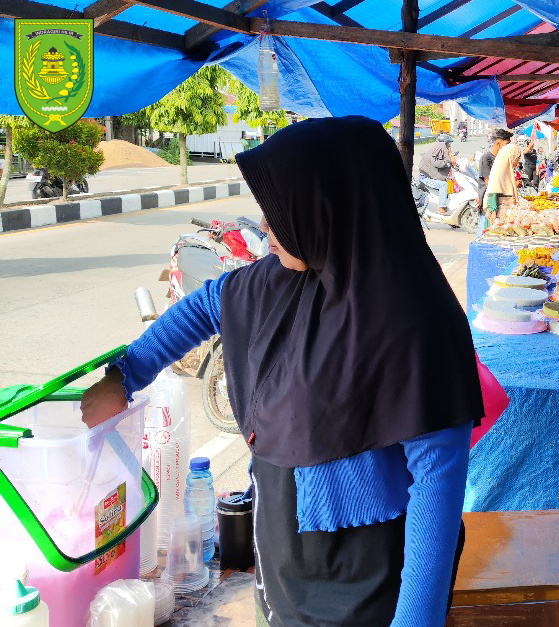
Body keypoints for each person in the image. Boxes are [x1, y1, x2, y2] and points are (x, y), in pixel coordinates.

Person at [80, 117, 484, 627]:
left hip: (373, 572)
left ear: (331, 206)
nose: (266, 226)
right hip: (281, 558)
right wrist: (125, 373)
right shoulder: (279, 280)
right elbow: (207, 304)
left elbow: (437, 484)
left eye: (278, 210)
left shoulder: (418, 319)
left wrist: (415, 621)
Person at [482, 143, 523, 234]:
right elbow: (493, 192)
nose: (518, 161)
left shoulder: (505, 169)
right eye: (518, 158)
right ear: (511, 157)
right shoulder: (499, 171)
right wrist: (493, 212)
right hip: (498, 216)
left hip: (504, 214)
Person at [418, 133, 457, 215]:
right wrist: (448, 162)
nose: (448, 146)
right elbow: (437, 164)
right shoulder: (436, 152)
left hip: (429, 177)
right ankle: (441, 208)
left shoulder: (438, 151)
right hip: (425, 179)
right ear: (443, 144)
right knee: (443, 185)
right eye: (447, 144)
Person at [477, 128, 513, 211]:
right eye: (506, 144)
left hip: (501, 199)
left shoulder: (503, 158)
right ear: (498, 143)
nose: (508, 147)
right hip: (490, 200)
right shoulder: (486, 158)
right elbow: (489, 182)